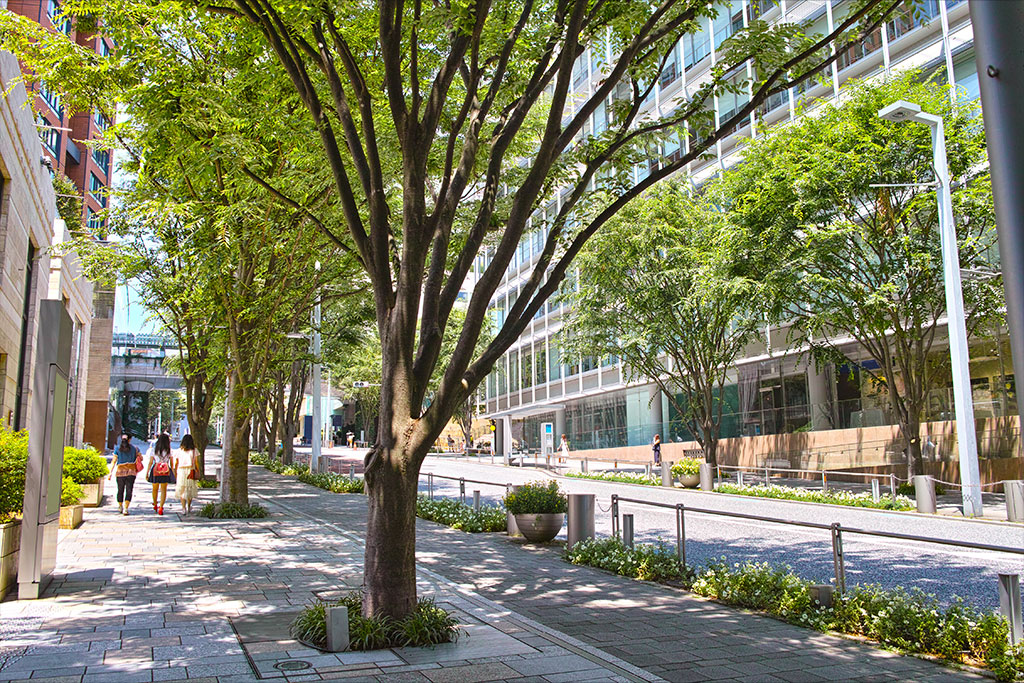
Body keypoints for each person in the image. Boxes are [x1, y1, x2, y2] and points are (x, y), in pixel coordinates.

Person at [109, 433, 141, 515]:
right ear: (129, 439)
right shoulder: (135, 448)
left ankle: (120, 506)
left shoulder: (117, 449)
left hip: (120, 472)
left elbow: (113, 461)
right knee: (129, 489)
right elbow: (141, 458)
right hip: (131, 471)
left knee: (120, 489)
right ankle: (126, 508)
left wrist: (110, 473)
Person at [148, 433, 176, 515]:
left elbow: (150, 462)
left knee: (155, 489)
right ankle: (161, 507)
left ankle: (155, 504)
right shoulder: (169, 450)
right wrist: (174, 473)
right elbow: (172, 463)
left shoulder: (154, 449)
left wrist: (147, 472)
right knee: (163, 489)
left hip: (156, 469)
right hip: (165, 470)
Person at [174, 433, 199, 515]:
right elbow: (196, 462)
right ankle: (189, 506)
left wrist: (175, 471)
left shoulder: (179, 451)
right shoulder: (194, 450)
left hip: (181, 471)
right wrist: (198, 470)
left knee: (182, 489)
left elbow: (176, 462)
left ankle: (183, 507)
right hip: (190, 470)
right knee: (189, 488)